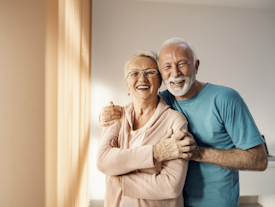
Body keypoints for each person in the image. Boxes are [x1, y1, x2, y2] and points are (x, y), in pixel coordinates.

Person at [99, 38, 268, 207]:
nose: (175, 73)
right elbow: (141, 100)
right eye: (167, 67)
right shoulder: (164, 99)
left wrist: (198, 153)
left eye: (182, 64)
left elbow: (259, 159)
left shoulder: (226, 99)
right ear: (162, 76)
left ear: (196, 66)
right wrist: (107, 115)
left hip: (216, 202)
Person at [96, 50, 189, 207]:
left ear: (159, 81)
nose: (142, 78)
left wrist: (121, 179)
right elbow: (103, 161)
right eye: (134, 73)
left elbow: (171, 186)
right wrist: (156, 153)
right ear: (127, 83)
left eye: (150, 72)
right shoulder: (117, 115)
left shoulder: (175, 121)